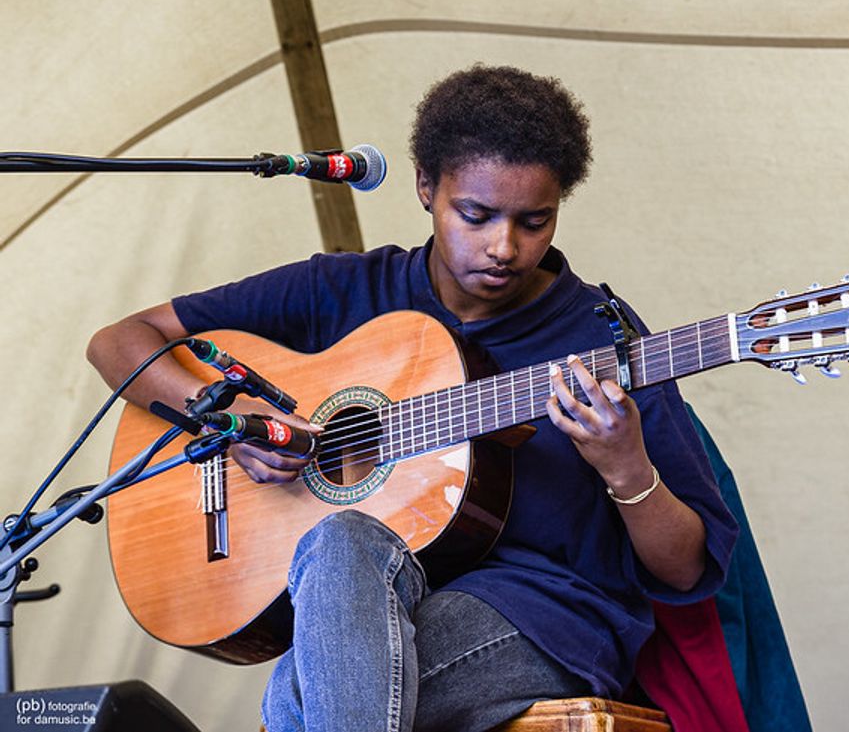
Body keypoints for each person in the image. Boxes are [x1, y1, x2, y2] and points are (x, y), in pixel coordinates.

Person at [87, 64, 738, 732]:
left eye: (534, 221)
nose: (504, 247)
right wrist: (228, 418)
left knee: (304, 692)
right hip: (365, 598)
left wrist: (625, 465)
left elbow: (688, 566)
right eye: (476, 214)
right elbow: (120, 343)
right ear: (426, 186)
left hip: (543, 616)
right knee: (338, 540)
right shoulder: (344, 291)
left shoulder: (600, 336)